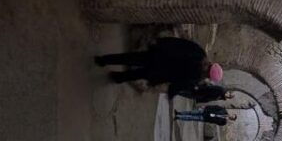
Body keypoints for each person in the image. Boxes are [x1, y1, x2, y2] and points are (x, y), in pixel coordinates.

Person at [94, 37, 223, 90]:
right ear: (208, 77)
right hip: (158, 72)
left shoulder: (199, 53)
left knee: (129, 58)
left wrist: (161, 42)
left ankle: (103, 60)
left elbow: (179, 43)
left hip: (159, 55)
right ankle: (117, 77)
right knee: (136, 74)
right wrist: (157, 81)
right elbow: (176, 82)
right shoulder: (195, 78)